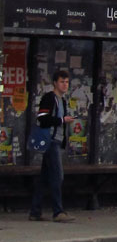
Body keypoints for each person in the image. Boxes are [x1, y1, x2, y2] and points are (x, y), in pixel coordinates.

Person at [29, 69, 75, 222]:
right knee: (57, 176)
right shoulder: (49, 98)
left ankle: (35, 211)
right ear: (55, 83)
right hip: (50, 141)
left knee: (45, 178)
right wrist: (62, 120)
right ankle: (58, 211)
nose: (65, 85)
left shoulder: (62, 100)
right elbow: (42, 118)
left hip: (56, 140)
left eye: (67, 82)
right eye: (62, 82)